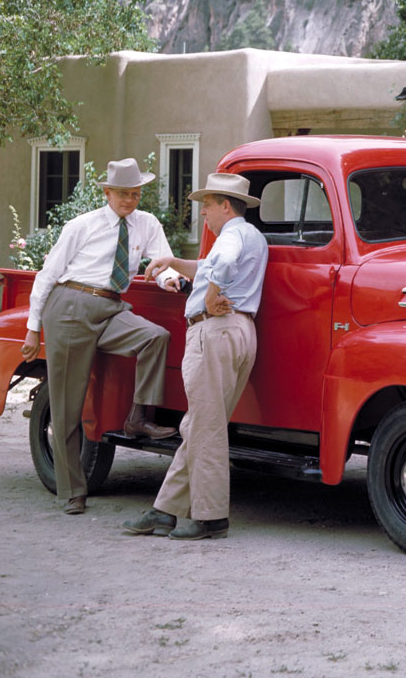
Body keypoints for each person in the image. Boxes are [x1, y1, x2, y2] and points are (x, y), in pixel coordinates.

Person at [20, 158, 184, 516]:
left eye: (136, 193)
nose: (130, 200)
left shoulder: (147, 224)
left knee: (154, 337)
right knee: (67, 406)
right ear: (107, 193)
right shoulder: (83, 225)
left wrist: (169, 278)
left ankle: (137, 417)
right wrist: (34, 327)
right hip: (70, 307)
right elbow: (48, 275)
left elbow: (161, 263)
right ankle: (72, 490)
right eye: (123, 193)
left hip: (111, 307)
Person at [122, 172, 267, 541]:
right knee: (200, 425)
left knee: (206, 427)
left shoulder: (231, 236)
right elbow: (209, 267)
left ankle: (210, 516)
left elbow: (220, 266)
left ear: (224, 205)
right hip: (241, 331)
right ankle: (165, 510)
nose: (204, 214)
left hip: (213, 332)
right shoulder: (253, 236)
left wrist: (208, 297)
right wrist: (174, 260)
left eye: (207, 207)